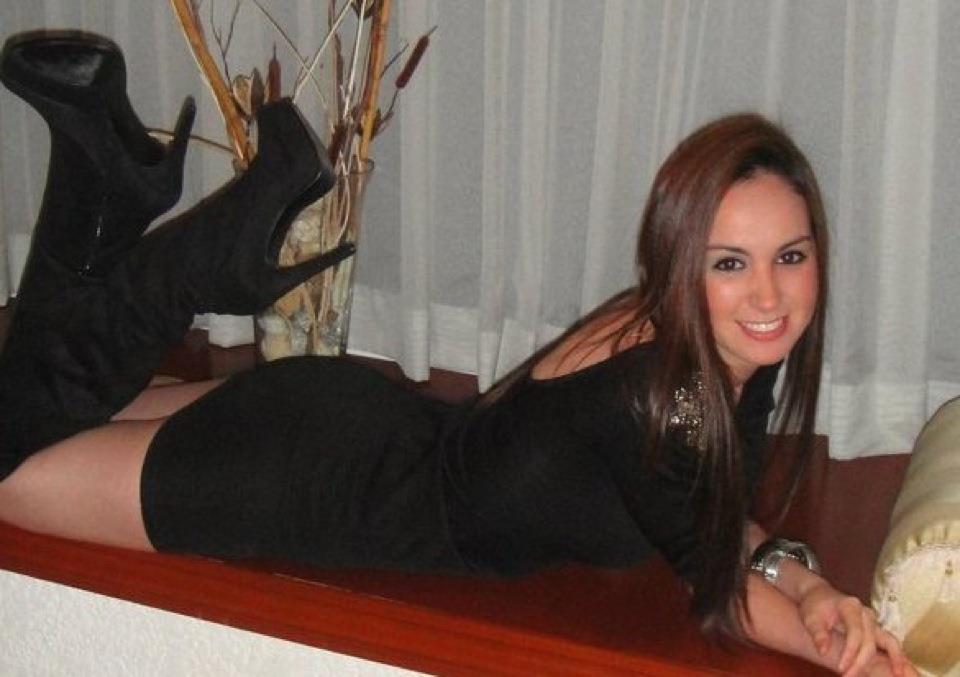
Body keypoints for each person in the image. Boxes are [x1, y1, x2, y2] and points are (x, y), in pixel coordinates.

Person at [0, 30, 914, 676]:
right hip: (304, 478)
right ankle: (175, 260)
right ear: (684, 261)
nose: (769, 294)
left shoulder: (707, 342)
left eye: (790, 256)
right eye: (731, 263)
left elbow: (713, 519)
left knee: (37, 407)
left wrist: (811, 585)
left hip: (343, 426)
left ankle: (105, 182)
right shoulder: (656, 395)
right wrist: (850, 655)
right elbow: (716, 589)